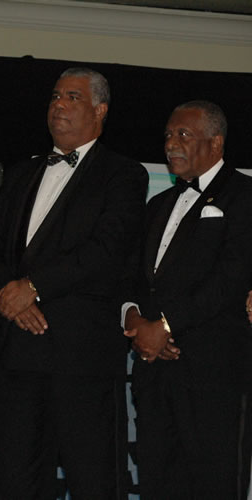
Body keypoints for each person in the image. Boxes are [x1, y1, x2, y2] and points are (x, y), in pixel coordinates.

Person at [0, 67, 148, 499]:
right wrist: (5, 295)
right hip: (17, 356)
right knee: (16, 482)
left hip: (81, 357)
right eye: (55, 96)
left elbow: (105, 251)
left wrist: (32, 287)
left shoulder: (123, 174)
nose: (59, 105)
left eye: (72, 97)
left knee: (92, 480)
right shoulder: (21, 173)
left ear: (100, 110)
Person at [123, 101, 252, 499]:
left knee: (213, 485)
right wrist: (134, 322)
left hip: (213, 376)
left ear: (216, 143)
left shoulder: (245, 195)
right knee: (158, 484)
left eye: (183, 135)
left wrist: (164, 327)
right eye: (167, 135)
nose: (171, 144)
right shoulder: (157, 205)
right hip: (154, 374)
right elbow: (131, 277)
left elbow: (230, 279)